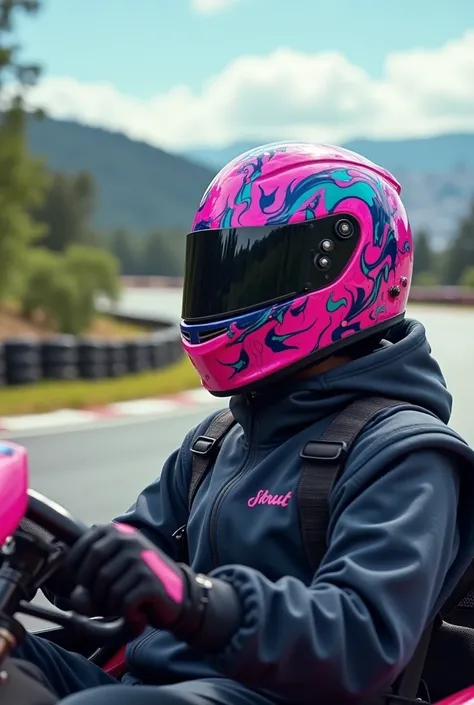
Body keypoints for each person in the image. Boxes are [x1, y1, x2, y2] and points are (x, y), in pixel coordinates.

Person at [8, 142, 474, 705]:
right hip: (152, 683)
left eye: (255, 267)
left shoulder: (405, 455)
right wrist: (49, 557)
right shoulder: (217, 440)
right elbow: (125, 562)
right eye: (220, 270)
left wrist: (198, 599)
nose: (226, 292)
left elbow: (360, 640)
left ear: (340, 267)